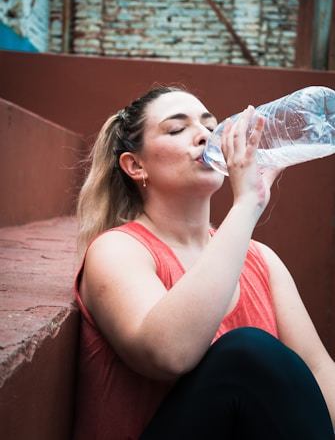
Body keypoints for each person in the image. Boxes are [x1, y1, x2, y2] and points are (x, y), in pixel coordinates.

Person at [73, 86, 335, 440]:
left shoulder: (262, 261)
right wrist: (247, 204)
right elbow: (168, 354)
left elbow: (319, 372)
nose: (205, 135)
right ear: (135, 166)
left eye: (211, 126)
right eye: (177, 129)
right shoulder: (118, 250)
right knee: (245, 355)